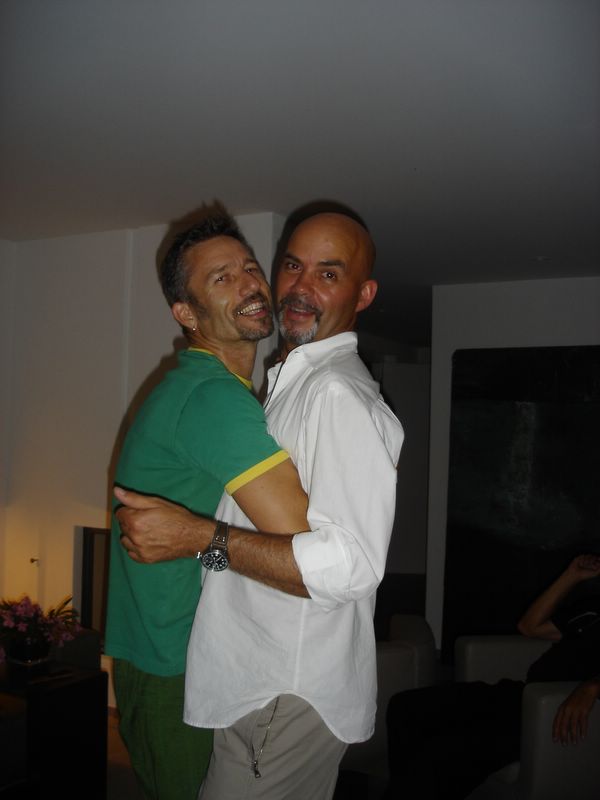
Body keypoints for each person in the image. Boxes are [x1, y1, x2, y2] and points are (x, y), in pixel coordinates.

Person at [115, 210, 405, 799]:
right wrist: (200, 541)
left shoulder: (331, 394)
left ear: (363, 294)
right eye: (292, 266)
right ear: (187, 313)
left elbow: (334, 565)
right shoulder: (267, 391)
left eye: (329, 273)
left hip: (280, 685)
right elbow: (239, 547)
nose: (296, 286)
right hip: (231, 673)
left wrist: (196, 538)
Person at [104, 206, 312, 800]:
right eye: (221, 278)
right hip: (175, 665)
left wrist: (199, 539)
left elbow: (218, 537)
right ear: (187, 314)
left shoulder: (208, 388)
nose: (249, 284)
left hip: (169, 654)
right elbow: (307, 562)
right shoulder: (213, 399)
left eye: (249, 268)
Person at [383, 553, 600, 800]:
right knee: (406, 707)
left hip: (549, 714)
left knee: (443, 751)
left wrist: (593, 686)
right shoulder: (592, 609)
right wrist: (571, 575)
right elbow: (529, 627)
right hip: (520, 696)